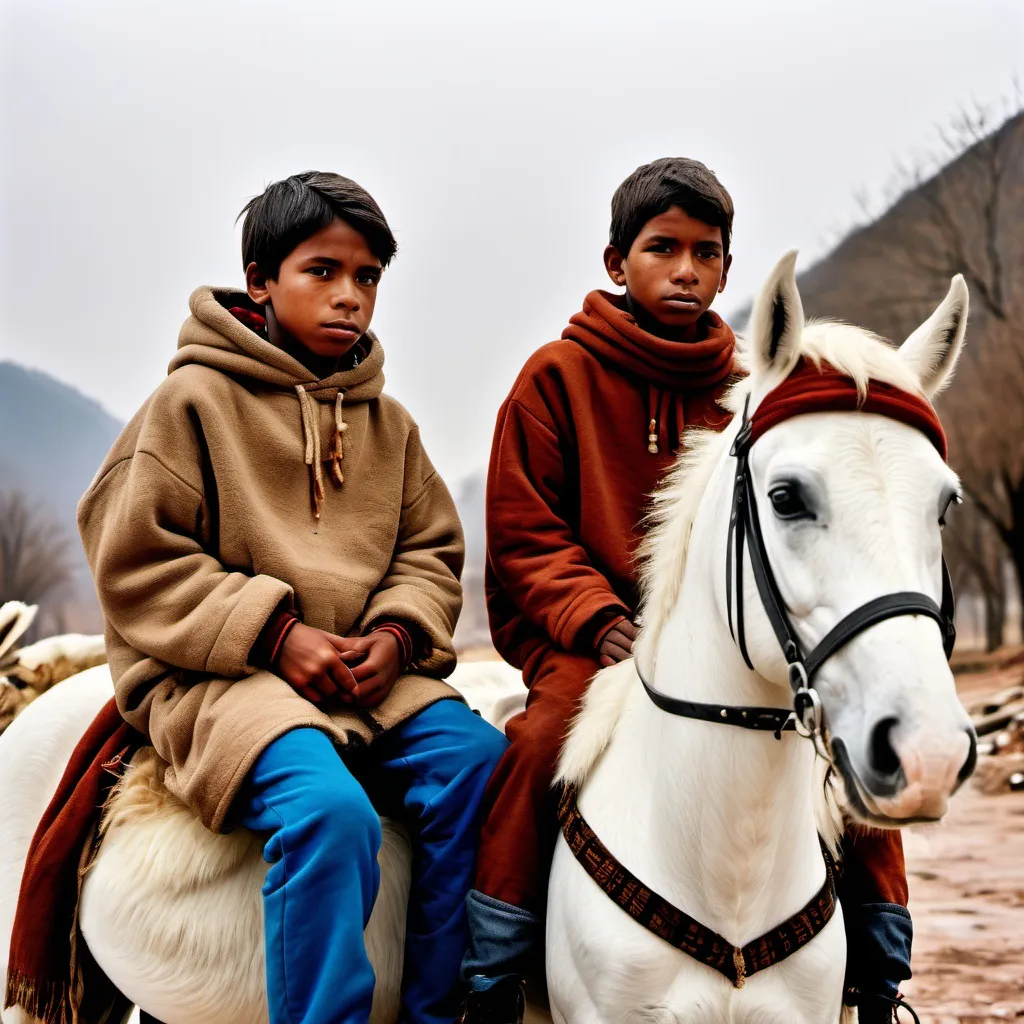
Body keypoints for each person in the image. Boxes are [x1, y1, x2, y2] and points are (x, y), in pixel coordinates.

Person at [460, 158, 912, 1024]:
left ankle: (880, 975)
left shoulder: (753, 392)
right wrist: (597, 619)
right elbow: (525, 533)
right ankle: (494, 976)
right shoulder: (554, 378)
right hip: (592, 643)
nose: (685, 269)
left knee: (836, 747)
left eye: (705, 253)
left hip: (731, 640)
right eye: (662, 248)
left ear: (727, 273)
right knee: (536, 745)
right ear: (615, 262)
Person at [77, 171, 508, 1024]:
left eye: (369, 277)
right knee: (328, 815)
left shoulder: (391, 426)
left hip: (368, 672)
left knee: (480, 769)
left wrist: (393, 637)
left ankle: (436, 1014)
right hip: (222, 679)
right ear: (261, 278)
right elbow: (136, 559)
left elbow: (429, 553)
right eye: (323, 271)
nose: (350, 296)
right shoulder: (188, 404)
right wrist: (274, 636)